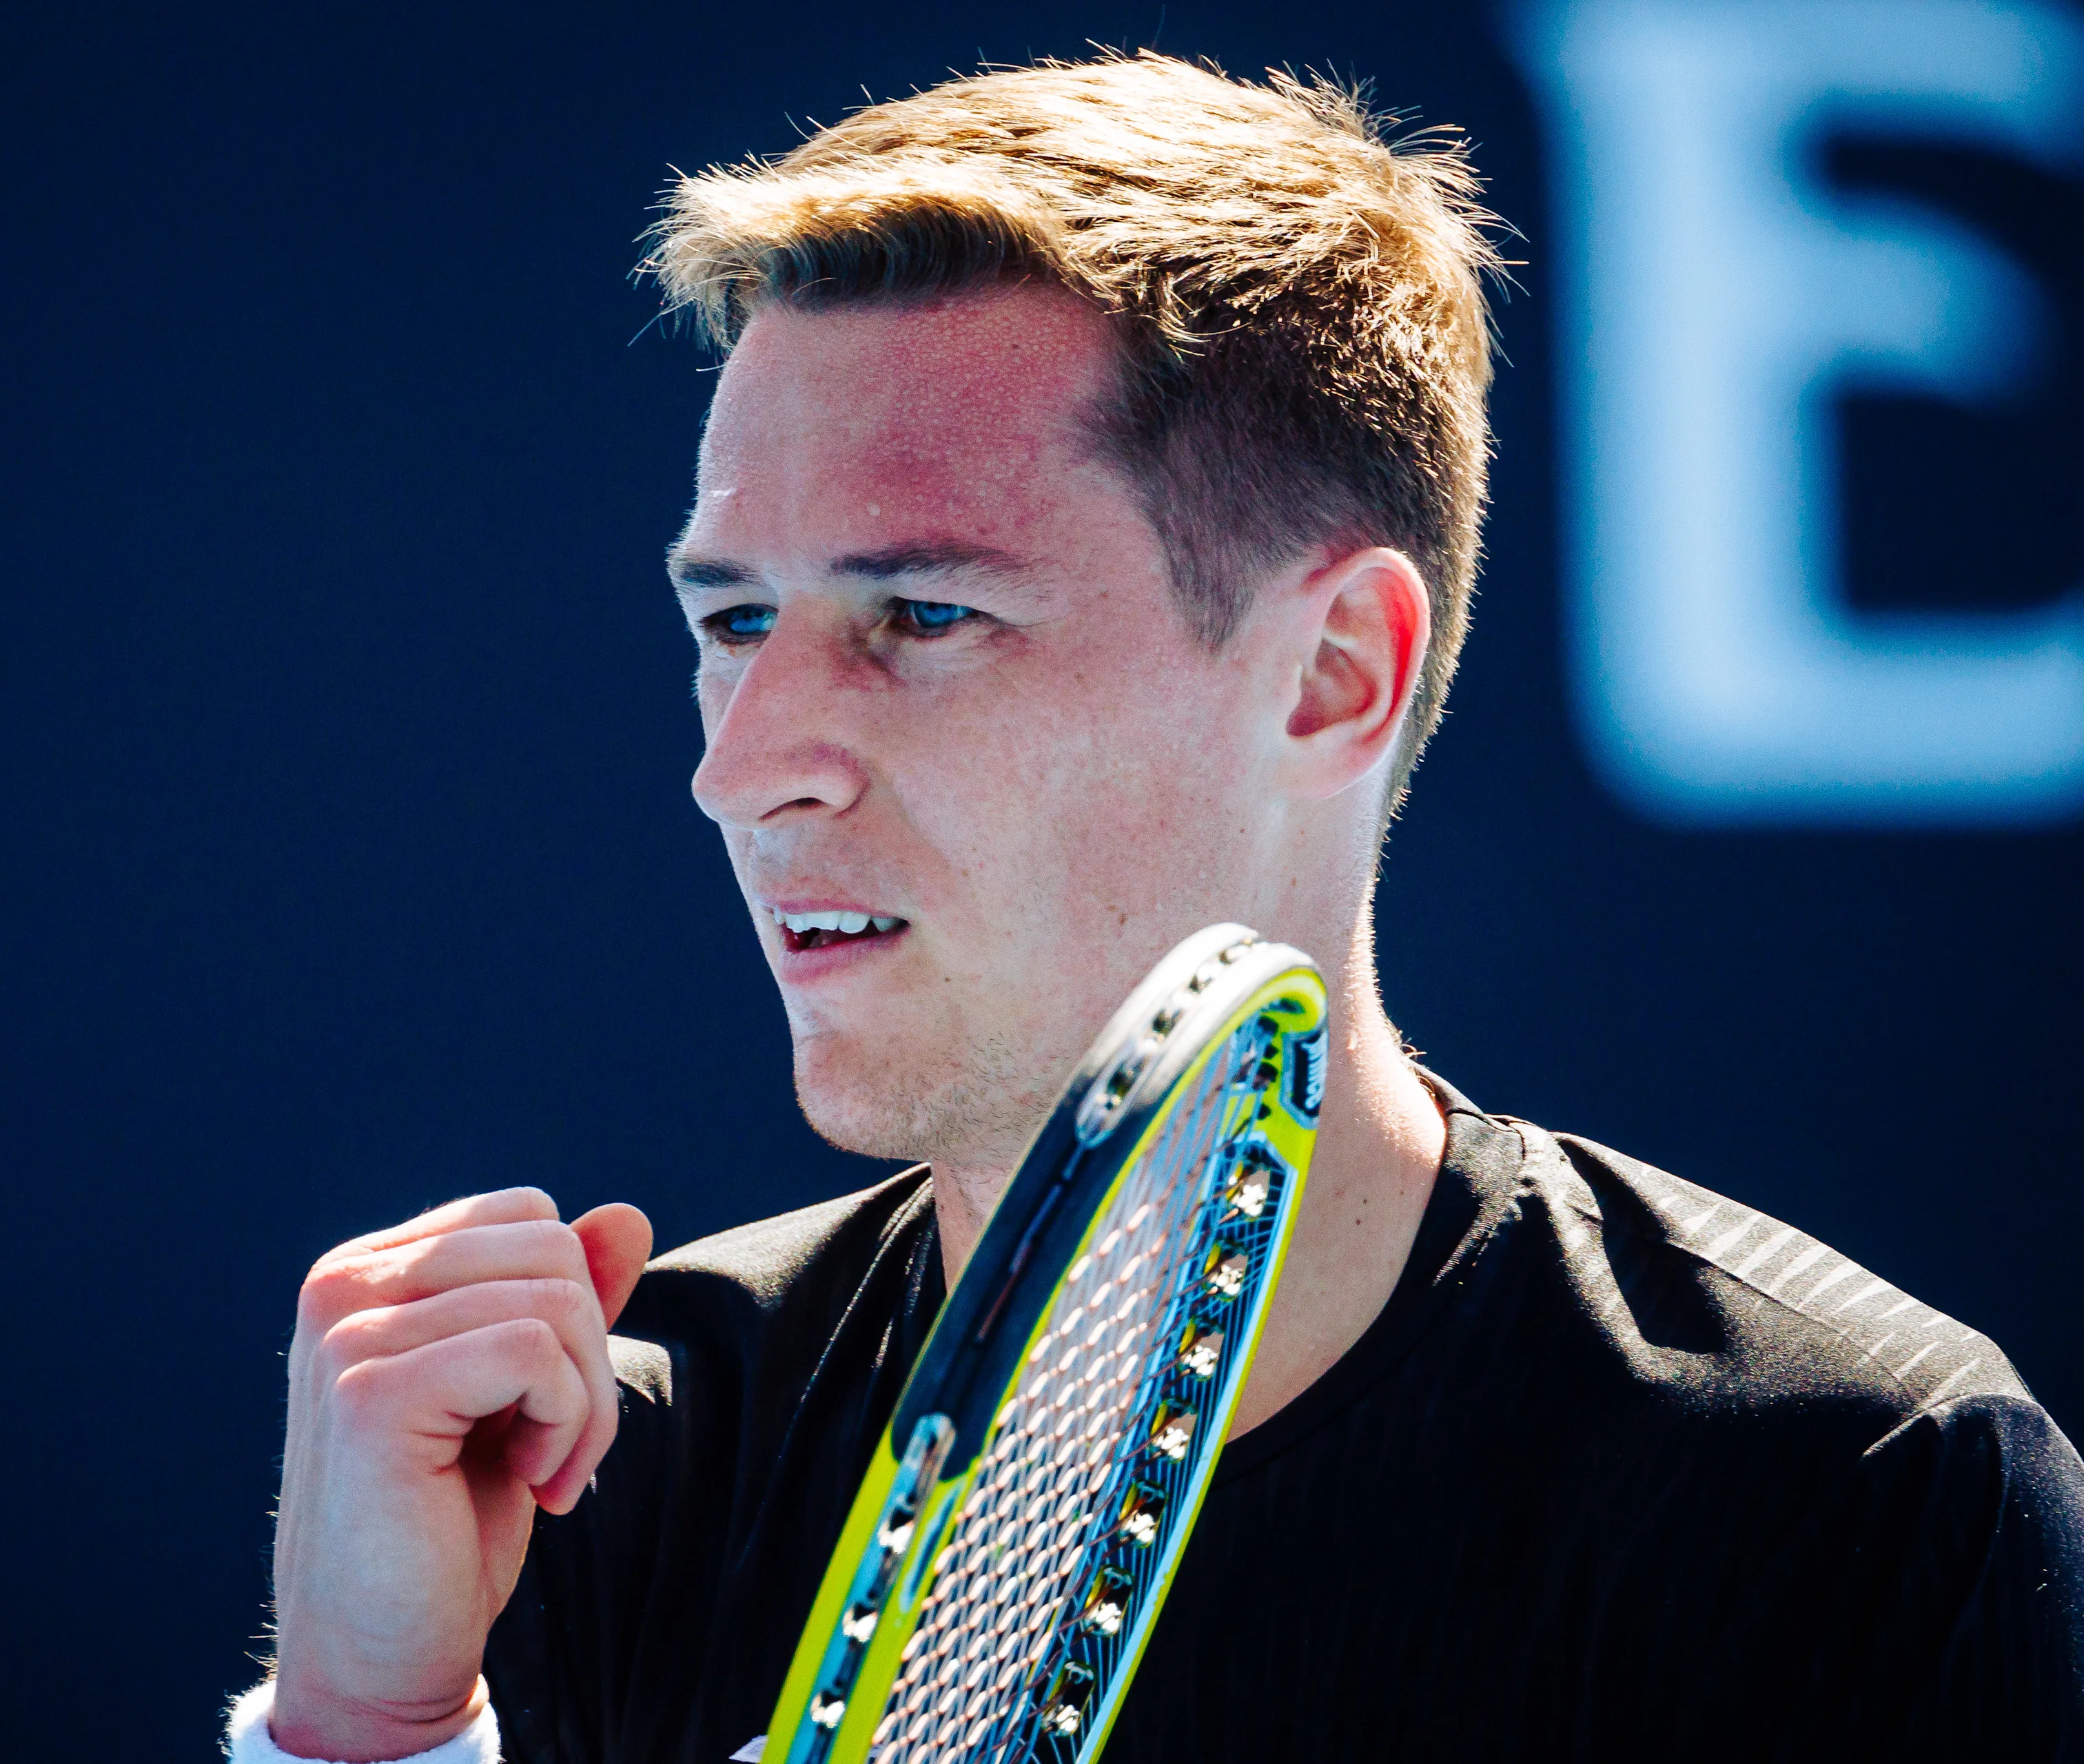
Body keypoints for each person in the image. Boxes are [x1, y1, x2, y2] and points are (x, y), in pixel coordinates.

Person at [229, 53, 2084, 1763]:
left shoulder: (1870, 1495)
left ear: (1333, 672)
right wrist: (370, 1727)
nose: (749, 765)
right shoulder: (588, 1474)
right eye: (734, 623)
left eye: (926, 616)